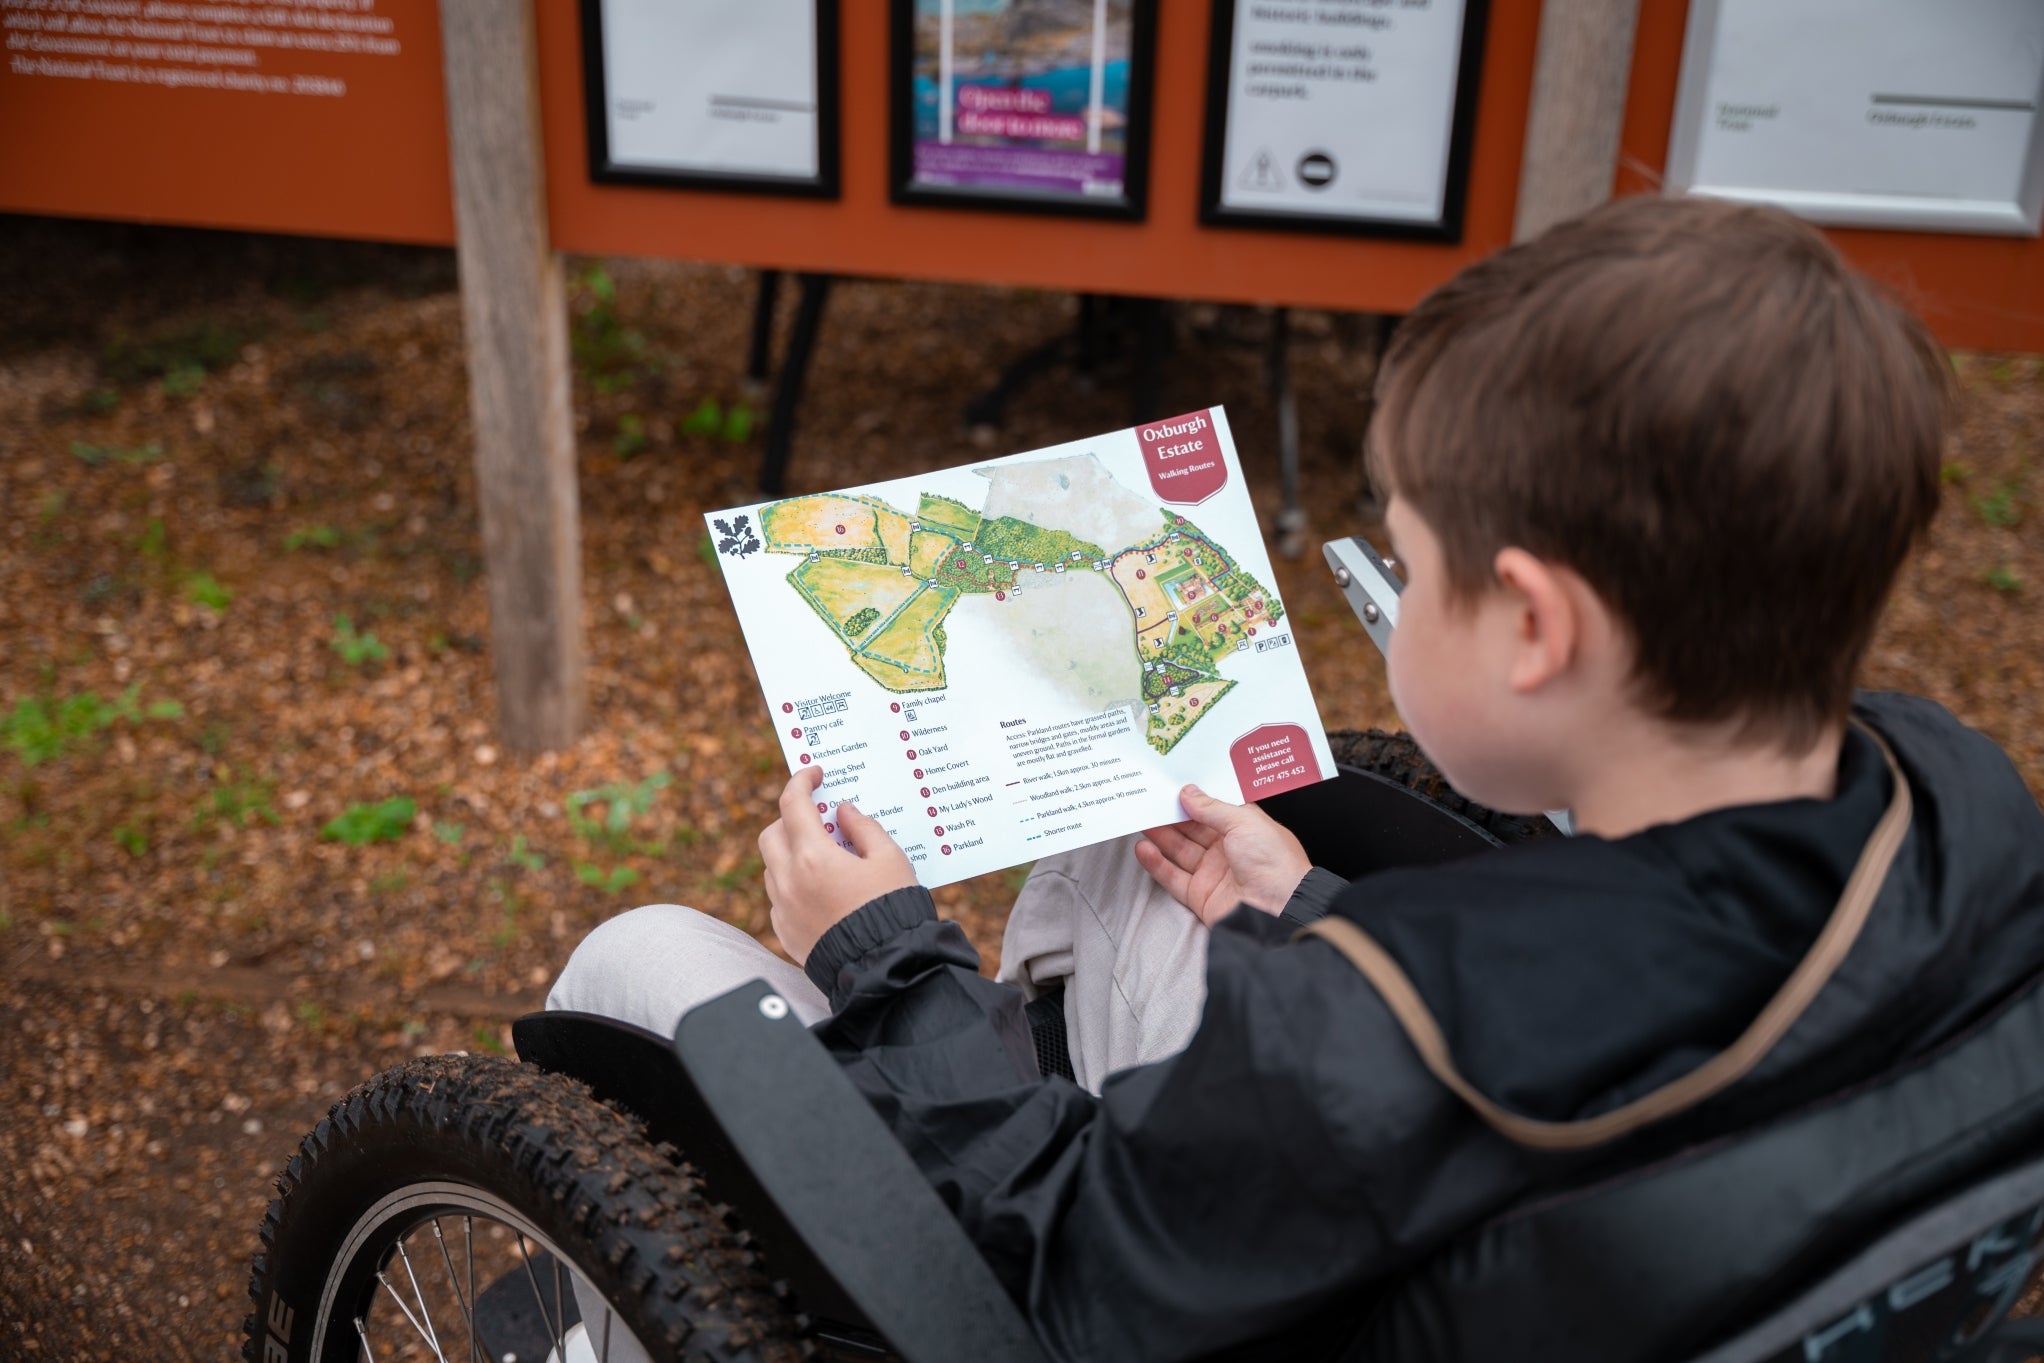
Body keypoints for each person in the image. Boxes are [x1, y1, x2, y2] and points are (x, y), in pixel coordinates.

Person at [550, 195, 2044, 1360]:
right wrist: (1317, 910)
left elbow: (1064, 1266)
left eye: (1414, 558)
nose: (1395, 584)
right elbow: (1564, 1029)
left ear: (1536, 629)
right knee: (1128, 848)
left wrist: (885, 959)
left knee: (643, 957)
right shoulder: (1966, 815)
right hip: (1522, 1255)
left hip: (1138, 1290)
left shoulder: (1365, 1034)